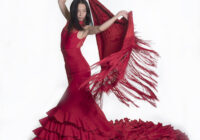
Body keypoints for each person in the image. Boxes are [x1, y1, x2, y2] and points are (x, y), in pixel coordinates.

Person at [32, 0, 189, 139]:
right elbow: (60, 2)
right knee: (82, 105)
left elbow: (100, 28)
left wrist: (116, 17)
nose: (81, 14)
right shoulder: (69, 22)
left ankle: (67, 134)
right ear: (73, 11)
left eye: (84, 11)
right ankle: (87, 130)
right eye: (78, 11)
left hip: (81, 71)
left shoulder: (85, 28)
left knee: (69, 103)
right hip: (70, 71)